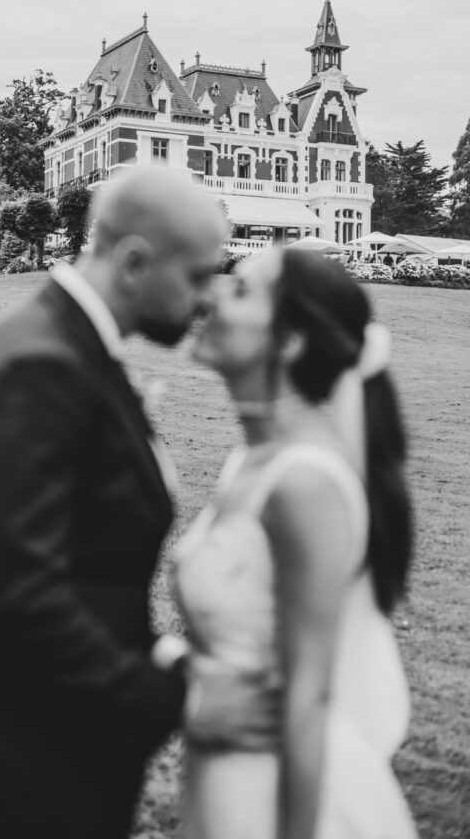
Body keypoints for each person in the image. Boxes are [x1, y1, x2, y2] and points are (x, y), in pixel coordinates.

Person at [0, 168, 276, 839]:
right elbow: (20, 600)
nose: (205, 300)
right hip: (8, 763)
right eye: (197, 276)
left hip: (44, 744)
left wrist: (171, 658)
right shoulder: (38, 368)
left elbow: (92, 567)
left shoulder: (75, 350)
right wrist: (180, 700)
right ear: (133, 263)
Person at [175, 245, 417, 838]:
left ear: (289, 342)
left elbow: (307, 702)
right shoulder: (248, 461)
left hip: (280, 794)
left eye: (240, 290)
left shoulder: (306, 483)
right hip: (222, 778)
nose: (210, 294)